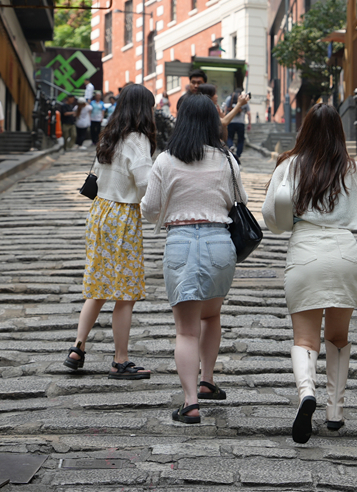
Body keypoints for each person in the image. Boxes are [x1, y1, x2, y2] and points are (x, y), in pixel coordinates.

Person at [261, 103, 357, 444]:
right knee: (338, 336)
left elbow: (271, 218)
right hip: (345, 253)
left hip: (305, 252)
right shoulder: (354, 170)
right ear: (339, 132)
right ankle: (335, 411)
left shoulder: (289, 166)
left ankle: (307, 393)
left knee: (305, 339)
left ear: (304, 131)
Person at [141, 94, 242, 424]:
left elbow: (150, 208)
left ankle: (190, 402)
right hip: (219, 243)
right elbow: (239, 201)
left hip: (181, 243)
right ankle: (208, 380)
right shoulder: (227, 160)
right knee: (211, 317)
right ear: (214, 121)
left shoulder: (166, 160)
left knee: (185, 331)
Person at [63, 84, 157, 380]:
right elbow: (145, 183)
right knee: (125, 293)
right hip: (122, 214)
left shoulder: (109, 134)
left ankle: (77, 348)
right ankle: (120, 360)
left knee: (99, 285)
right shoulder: (138, 139)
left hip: (100, 211)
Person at [223, 90, 250, 162]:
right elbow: (248, 113)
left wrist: (224, 118)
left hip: (231, 122)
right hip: (241, 123)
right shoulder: (244, 100)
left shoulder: (229, 98)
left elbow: (225, 109)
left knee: (229, 137)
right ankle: (238, 155)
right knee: (241, 140)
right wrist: (249, 123)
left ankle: (231, 146)